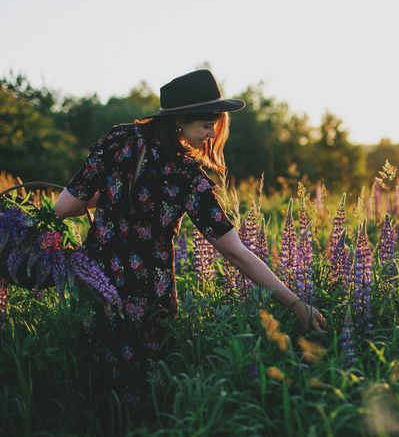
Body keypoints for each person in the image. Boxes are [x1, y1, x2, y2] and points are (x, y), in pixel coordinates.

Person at [54, 69, 327, 406]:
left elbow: (64, 206)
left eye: (216, 121)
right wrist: (295, 303)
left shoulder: (117, 140)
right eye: (206, 123)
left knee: (92, 394)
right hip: (147, 304)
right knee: (146, 402)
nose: (212, 132)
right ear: (179, 121)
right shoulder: (185, 177)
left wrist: (109, 196)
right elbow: (236, 252)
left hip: (95, 285)